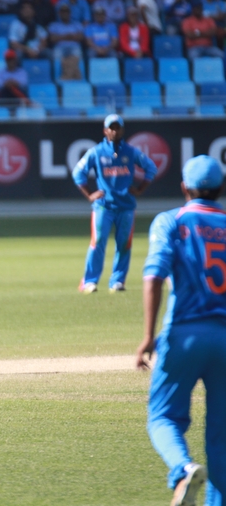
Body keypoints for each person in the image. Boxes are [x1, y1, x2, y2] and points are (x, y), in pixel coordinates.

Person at [137, 154, 226, 506]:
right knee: (222, 439)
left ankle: (183, 469)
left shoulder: (170, 221)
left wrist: (147, 336)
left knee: (162, 417)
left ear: (184, 188)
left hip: (184, 335)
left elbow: (153, 276)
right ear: (222, 188)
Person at [72, 114, 157, 293]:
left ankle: (117, 281)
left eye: (117, 127)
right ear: (105, 130)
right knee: (98, 241)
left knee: (124, 244)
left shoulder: (131, 151)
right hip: (103, 205)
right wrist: (89, 194)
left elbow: (151, 167)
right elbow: (78, 173)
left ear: (122, 130)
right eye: (111, 127)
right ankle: (89, 281)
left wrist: (140, 188)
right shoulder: (96, 152)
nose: (114, 131)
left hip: (126, 206)